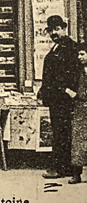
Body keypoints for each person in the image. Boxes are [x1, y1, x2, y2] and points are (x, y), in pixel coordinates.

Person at [38, 15, 80, 179]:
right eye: (51, 30)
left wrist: (65, 90)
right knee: (59, 132)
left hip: (64, 98)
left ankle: (61, 168)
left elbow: (72, 74)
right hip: (55, 98)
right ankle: (65, 167)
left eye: (57, 29)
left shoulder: (71, 48)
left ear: (64, 29)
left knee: (62, 133)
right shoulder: (57, 47)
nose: (54, 32)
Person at [69, 42, 87, 184]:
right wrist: (72, 93)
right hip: (80, 108)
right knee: (78, 142)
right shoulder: (76, 71)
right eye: (78, 54)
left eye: (82, 54)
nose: (79, 57)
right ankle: (76, 174)